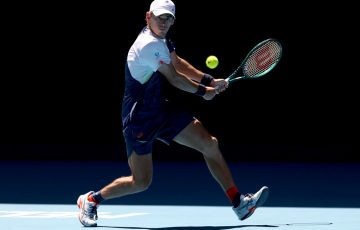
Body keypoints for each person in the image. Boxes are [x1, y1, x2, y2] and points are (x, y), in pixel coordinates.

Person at [77, 0, 269, 227]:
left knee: (210, 144)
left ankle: (239, 203)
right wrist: (204, 92)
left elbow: (177, 63)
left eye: (169, 18)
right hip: (139, 118)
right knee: (141, 182)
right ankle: (91, 200)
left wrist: (209, 80)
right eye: (160, 18)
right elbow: (175, 77)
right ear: (148, 16)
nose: (165, 22)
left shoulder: (162, 39)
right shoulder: (148, 44)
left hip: (162, 109)